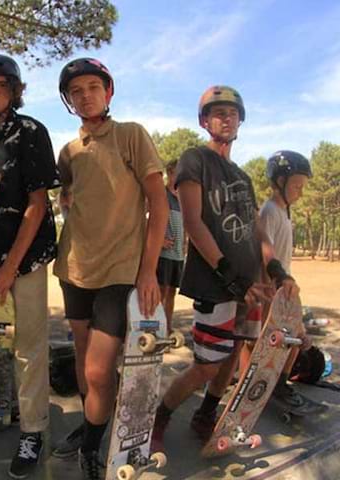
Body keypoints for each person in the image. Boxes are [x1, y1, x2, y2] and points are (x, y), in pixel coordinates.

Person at [151, 86, 299, 454]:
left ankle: (206, 415)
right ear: (204, 121)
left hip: (249, 285)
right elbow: (193, 221)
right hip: (216, 283)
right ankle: (161, 415)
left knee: (232, 358)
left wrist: (277, 270)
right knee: (205, 365)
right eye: (217, 112)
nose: (225, 118)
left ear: (240, 120)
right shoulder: (194, 159)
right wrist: (228, 274)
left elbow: (258, 231)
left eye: (232, 113)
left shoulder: (243, 178)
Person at [51, 58, 168, 480]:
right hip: (74, 267)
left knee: (101, 369)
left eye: (93, 87)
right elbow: (67, 193)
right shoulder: (68, 152)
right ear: (68, 101)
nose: (85, 95)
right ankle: (91, 431)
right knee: (85, 364)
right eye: (76, 91)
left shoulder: (131, 135)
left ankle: (93, 443)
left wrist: (149, 269)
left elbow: (158, 201)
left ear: (109, 92)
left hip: (122, 269)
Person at [0, 54, 60, 479]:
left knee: (29, 347)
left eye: (2, 85)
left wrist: (10, 269)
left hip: (26, 258)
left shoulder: (32, 132)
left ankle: (33, 429)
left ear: (15, 91)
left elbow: (38, 204)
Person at [262, 150, 313, 403]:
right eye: (296, 186)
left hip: (287, 289)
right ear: (280, 182)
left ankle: (279, 383)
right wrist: (275, 283)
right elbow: (265, 252)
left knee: (296, 340)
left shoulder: (284, 213)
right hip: (272, 289)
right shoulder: (270, 211)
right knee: (265, 342)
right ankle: (260, 384)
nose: (300, 192)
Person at [156, 159, 185, 332]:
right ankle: (156, 327)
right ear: (169, 173)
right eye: (176, 173)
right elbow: (144, 219)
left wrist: (186, 242)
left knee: (172, 292)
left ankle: (167, 327)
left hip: (178, 254)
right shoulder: (162, 194)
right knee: (161, 292)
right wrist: (159, 241)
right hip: (163, 254)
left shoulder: (182, 197)